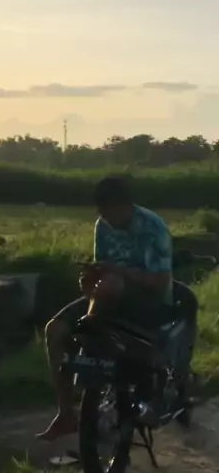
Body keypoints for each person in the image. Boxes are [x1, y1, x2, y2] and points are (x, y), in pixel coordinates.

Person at [37, 175, 181, 442]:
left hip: (149, 299)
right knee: (54, 329)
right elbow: (101, 270)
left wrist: (118, 273)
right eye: (101, 211)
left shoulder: (153, 227)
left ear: (126, 205)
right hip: (106, 298)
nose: (105, 217)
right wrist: (89, 279)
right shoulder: (103, 226)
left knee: (113, 282)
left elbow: (160, 281)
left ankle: (90, 341)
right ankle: (66, 413)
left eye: (109, 210)